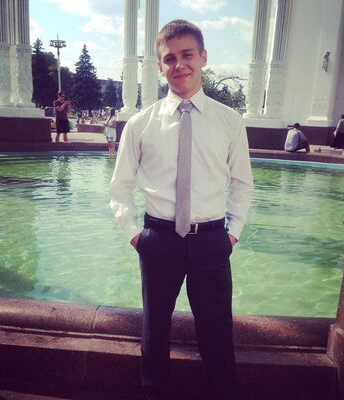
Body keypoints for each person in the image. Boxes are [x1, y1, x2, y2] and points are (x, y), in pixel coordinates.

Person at [110, 19, 253, 400]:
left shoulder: (230, 121)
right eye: (169, 58)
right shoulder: (140, 124)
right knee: (155, 330)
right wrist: (135, 236)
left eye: (187, 54)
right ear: (160, 66)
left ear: (203, 57)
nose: (179, 64)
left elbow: (242, 183)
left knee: (217, 332)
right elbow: (119, 187)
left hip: (212, 241)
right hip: (158, 240)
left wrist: (232, 234)